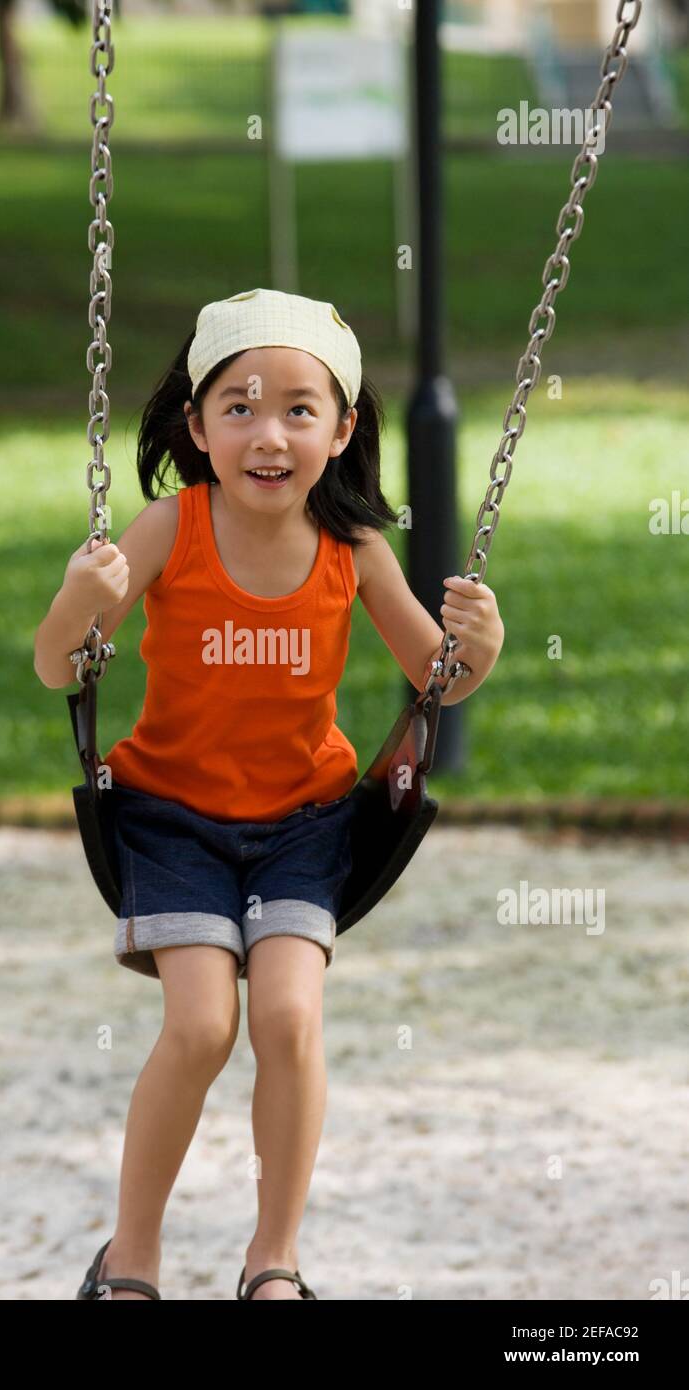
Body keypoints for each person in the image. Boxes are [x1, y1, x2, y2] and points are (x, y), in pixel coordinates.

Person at [34, 287, 505, 1300]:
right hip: (170, 820)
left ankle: (272, 1261)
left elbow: (439, 678)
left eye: (299, 408)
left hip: (305, 822)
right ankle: (131, 1261)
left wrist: (481, 646)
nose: (268, 432)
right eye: (238, 405)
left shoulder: (354, 550)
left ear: (339, 430)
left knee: (288, 1017)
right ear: (196, 427)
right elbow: (53, 664)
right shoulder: (169, 527)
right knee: (200, 1025)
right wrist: (82, 601)